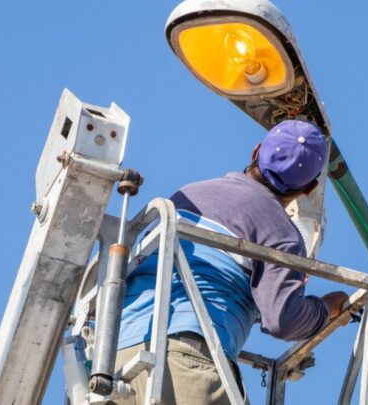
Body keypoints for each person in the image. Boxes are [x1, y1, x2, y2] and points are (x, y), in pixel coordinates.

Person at [113, 120, 349, 404]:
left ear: (256, 151)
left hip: (117, 357)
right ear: (309, 188)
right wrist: (328, 307)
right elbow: (284, 321)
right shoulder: (282, 234)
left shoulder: (190, 194)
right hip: (185, 360)